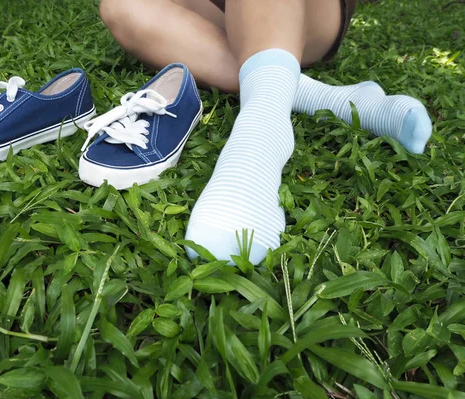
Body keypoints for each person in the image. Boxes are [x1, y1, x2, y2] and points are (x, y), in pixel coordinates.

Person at [98, 0, 433, 264]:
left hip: (306, 11)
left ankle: (263, 131)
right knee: (122, 6)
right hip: (224, 13)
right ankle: (331, 99)